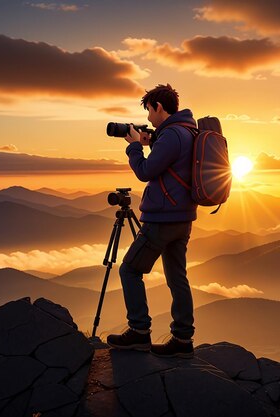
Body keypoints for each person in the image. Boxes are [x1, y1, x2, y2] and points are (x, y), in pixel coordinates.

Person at [106, 84, 197, 358]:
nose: (147, 119)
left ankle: (139, 332)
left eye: (148, 111)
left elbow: (145, 172)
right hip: (183, 217)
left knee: (130, 270)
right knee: (177, 277)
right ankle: (183, 339)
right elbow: (173, 164)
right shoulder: (188, 131)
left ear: (158, 106)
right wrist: (152, 143)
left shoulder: (171, 135)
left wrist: (134, 147)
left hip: (162, 218)